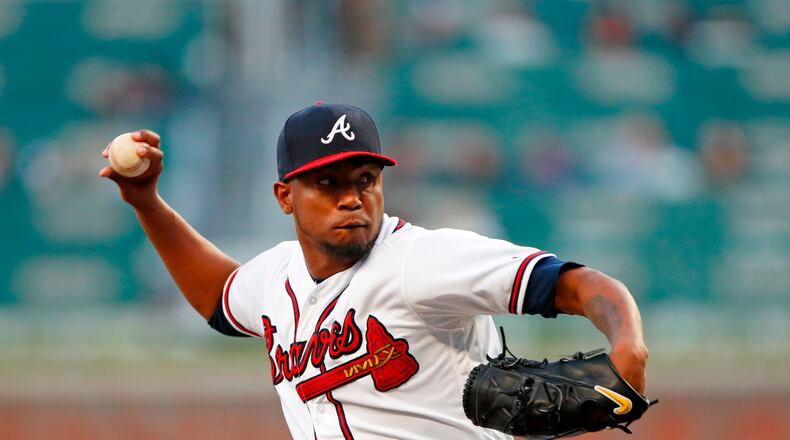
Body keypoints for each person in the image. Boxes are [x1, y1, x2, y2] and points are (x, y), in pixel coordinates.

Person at [99, 103, 649, 439]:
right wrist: (146, 202)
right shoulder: (276, 277)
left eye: (365, 179)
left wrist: (628, 347)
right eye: (328, 184)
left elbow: (580, 284)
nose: (352, 198)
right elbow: (221, 297)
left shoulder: (423, 259)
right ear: (285, 197)